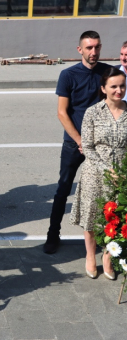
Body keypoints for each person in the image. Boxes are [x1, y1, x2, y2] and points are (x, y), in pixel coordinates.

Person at [43, 31, 111, 254]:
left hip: (101, 144)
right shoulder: (68, 74)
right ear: (79, 50)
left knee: (105, 191)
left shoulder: (108, 73)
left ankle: (106, 238)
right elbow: (62, 113)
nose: (94, 52)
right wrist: (80, 140)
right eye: (89, 48)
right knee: (63, 189)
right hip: (74, 143)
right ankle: (53, 235)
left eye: (97, 47)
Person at [69, 68, 126, 280]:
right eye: (113, 86)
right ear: (103, 89)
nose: (118, 90)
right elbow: (88, 147)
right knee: (92, 217)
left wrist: (122, 172)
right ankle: (90, 257)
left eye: (122, 86)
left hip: (122, 175)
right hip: (96, 173)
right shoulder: (93, 112)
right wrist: (106, 169)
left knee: (115, 219)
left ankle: (108, 258)